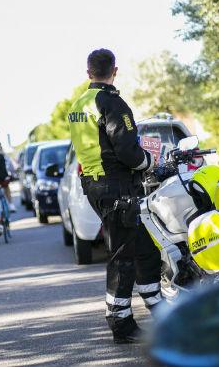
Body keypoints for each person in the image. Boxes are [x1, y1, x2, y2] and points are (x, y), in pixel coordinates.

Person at [68, 48, 161, 344]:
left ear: (88, 73)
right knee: (123, 255)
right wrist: (150, 161)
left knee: (146, 250)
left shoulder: (78, 104)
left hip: (94, 185)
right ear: (115, 71)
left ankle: (160, 310)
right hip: (115, 186)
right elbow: (126, 150)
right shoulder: (111, 103)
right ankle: (120, 323)